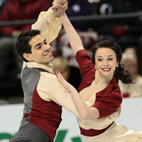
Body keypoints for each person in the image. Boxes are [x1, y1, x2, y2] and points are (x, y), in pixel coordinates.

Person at [9, 2, 120, 142]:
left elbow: (36, 30)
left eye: (45, 42)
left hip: (25, 135)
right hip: (34, 138)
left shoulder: (27, 67)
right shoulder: (50, 81)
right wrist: (113, 110)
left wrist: (53, 10)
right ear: (28, 56)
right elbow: (82, 111)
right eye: (39, 46)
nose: (47, 47)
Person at [53, 0, 142, 141]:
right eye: (100, 59)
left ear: (117, 62)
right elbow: (77, 45)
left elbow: (86, 114)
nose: (105, 64)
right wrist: (63, 15)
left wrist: (69, 88)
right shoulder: (89, 72)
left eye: (110, 59)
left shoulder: (114, 94)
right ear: (94, 62)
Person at [0, 0, 52, 81]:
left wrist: (24, 32)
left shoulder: (42, 2)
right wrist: (12, 32)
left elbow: (41, 20)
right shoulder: (10, 2)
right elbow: (3, 22)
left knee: (20, 44)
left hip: (32, 34)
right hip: (11, 35)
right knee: (2, 43)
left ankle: (24, 76)